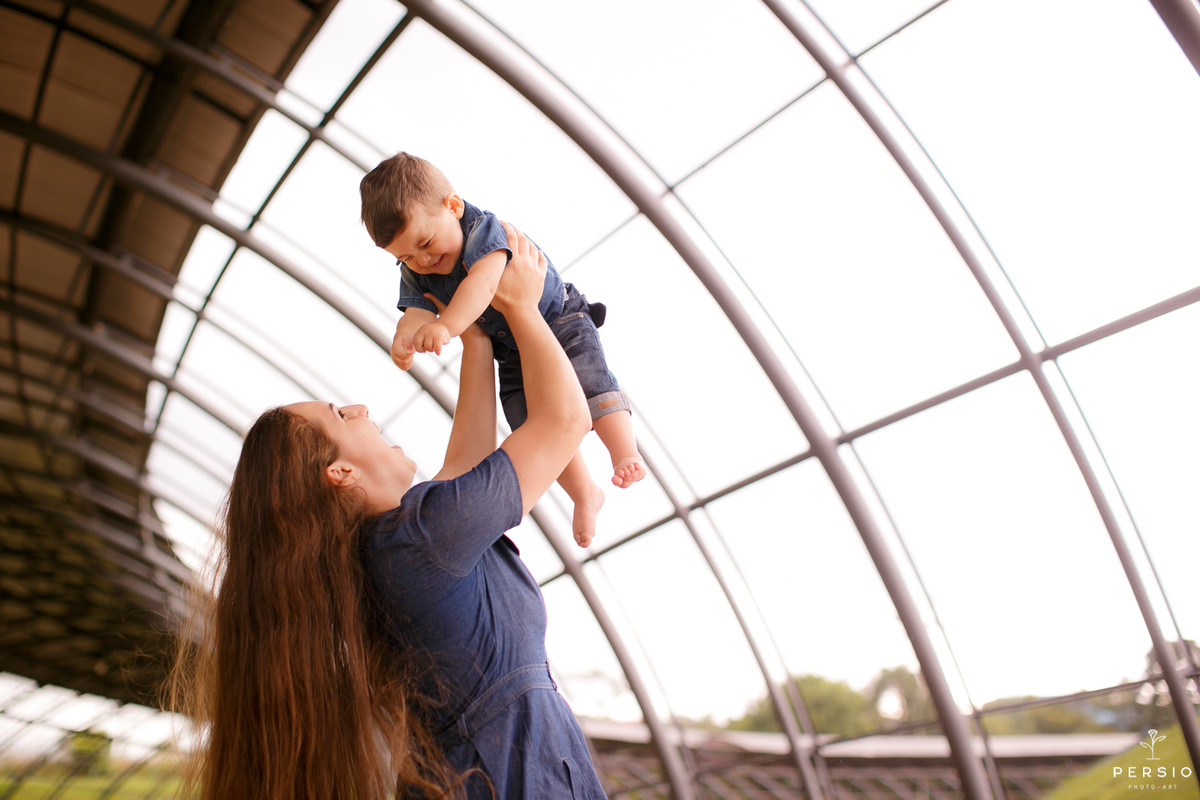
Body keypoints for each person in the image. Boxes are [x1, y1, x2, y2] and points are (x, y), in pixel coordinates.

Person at [171, 225, 609, 799]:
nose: (359, 407)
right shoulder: (420, 542)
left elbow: (464, 468)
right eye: (339, 415)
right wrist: (523, 309)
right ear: (340, 474)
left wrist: (477, 337)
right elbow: (564, 422)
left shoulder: (392, 549)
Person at [359, 153, 644, 548]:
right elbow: (414, 308)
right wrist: (404, 337)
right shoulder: (419, 266)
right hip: (509, 352)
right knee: (529, 418)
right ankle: (584, 492)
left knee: (589, 378)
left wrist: (445, 326)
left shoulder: (482, 232)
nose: (422, 261)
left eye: (425, 244)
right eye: (406, 257)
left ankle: (624, 451)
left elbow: (484, 286)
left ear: (453, 206)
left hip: (560, 320)